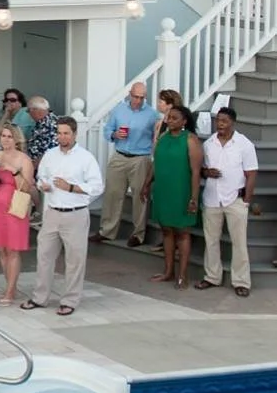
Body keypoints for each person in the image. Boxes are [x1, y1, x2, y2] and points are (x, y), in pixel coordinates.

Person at [25, 117, 105, 317]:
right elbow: (42, 175)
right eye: (59, 133)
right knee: (44, 256)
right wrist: (44, 184)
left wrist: (71, 187)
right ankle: (40, 297)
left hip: (75, 213)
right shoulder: (50, 155)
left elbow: (97, 186)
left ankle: (70, 300)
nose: (62, 137)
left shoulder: (86, 158)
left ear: (75, 134)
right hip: (52, 211)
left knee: (75, 259)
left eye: (66, 133)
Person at [196, 104, 258, 298]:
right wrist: (207, 172)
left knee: (239, 243)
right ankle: (212, 276)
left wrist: (246, 200)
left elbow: (251, 173)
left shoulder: (244, 144)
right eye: (218, 121)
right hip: (212, 198)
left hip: (235, 199)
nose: (220, 124)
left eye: (224, 121)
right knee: (211, 240)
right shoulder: (208, 144)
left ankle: (241, 281)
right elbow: (201, 170)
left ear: (233, 122)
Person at [93, 80, 160, 248]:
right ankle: (107, 231)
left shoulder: (152, 114)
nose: (138, 100)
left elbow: (157, 136)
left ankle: (138, 234)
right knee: (112, 194)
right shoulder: (119, 110)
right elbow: (107, 130)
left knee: (140, 196)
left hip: (140, 157)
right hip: (120, 154)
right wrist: (115, 134)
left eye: (142, 97)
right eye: (136, 96)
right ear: (130, 94)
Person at [144, 101, 203, 288]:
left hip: (181, 191)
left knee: (182, 232)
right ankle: (168, 271)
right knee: (166, 230)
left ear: (184, 121)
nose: (169, 121)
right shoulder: (163, 137)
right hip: (163, 190)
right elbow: (155, 163)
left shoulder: (190, 140)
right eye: (168, 117)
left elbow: (195, 171)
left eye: (174, 118)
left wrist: (193, 198)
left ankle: (182, 275)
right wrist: (146, 184)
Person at [0, 124, 35, 305]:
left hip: (15, 206)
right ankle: (9, 285)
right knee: (1, 248)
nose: (5, 139)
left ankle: (10, 290)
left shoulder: (23, 159)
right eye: (3, 136)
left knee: (13, 249)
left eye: (9, 136)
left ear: (16, 139)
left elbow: (28, 187)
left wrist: (12, 170)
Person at [23, 96, 57, 166]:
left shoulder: (49, 125)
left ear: (37, 110)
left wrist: (32, 167)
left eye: (29, 111)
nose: (29, 114)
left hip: (43, 168)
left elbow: (50, 151)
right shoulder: (42, 123)